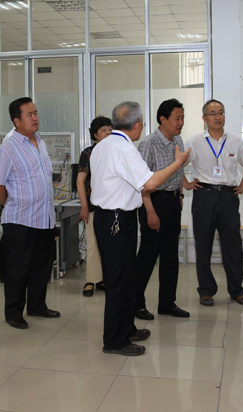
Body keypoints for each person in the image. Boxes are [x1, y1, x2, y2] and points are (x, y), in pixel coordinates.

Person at [90, 101, 190, 356]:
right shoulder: (125, 149)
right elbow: (150, 183)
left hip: (109, 218)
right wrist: (178, 163)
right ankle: (114, 340)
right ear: (137, 125)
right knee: (117, 281)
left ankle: (127, 328)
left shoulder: (103, 145)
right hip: (115, 220)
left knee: (126, 277)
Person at [0, 97, 61, 330]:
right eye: (29, 114)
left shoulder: (40, 143)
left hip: (44, 218)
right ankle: (13, 312)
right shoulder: (8, 148)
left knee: (42, 266)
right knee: (17, 270)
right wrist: (12, 204)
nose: (35, 117)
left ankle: (37, 306)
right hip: (20, 220)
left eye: (36, 113)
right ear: (17, 121)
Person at [183, 99, 243, 307]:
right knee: (203, 245)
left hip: (228, 198)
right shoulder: (194, 141)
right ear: (204, 118)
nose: (217, 117)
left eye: (221, 112)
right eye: (213, 113)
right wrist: (186, 184)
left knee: (233, 246)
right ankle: (206, 291)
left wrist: (242, 186)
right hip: (204, 196)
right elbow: (177, 164)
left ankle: (237, 290)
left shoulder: (235, 141)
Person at [135, 99, 189, 320]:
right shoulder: (148, 144)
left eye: (182, 118)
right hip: (154, 203)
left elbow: (178, 171)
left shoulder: (178, 140)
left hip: (173, 203)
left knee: (170, 256)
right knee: (147, 256)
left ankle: (167, 303)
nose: (181, 122)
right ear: (163, 119)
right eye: (177, 118)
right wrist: (150, 211)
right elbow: (142, 182)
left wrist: (180, 195)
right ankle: (136, 304)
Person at [77, 116, 113, 297]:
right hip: (93, 206)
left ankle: (104, 278)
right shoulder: (88, 153)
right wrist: (84, 206)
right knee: (92, 244)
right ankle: (90, 280)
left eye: (110, 130)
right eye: (103, 130)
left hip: (112, 205)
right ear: (95, 134)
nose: (108, 133)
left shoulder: (115, 150)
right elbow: (80, 181)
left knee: (109, 245)